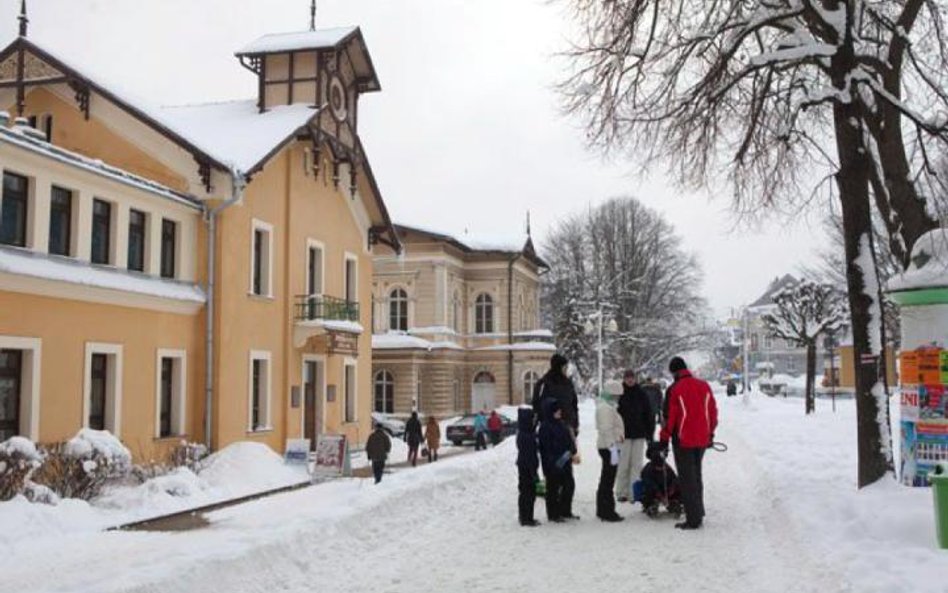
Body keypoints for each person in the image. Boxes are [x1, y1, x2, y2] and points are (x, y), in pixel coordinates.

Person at [659, 356, 718, 530]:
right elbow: (712, 413)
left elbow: (670, 418)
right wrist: (710, 434)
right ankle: (698, 511)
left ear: (674, 372)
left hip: (683, 439)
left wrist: (664, 438)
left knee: (687, 479)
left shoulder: (675, 389)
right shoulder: (704, 386)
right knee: (697, 475)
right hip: (702, 440)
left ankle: (693, 518)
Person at [616, 370, 655, 503]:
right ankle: (621, 492)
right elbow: (615, 415)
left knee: (636, 465)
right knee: (623, 464)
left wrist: (650, 433)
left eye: (632, 378)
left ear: (635, 379)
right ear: (624, 379)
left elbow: (648, 414)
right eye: (627, 378)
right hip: (623, 435)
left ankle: (635, 493)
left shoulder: (642, 394)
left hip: (639, 434)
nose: (630, 380)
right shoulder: (619, 394)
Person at [537, 398, 578, 522]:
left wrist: (571, 449)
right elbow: (546, 448)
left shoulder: (562, 423)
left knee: (569, 486)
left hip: (565, 461)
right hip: (553, 464)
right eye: (556, 410)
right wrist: (555, 461)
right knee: (553, 490)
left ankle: (565, 511)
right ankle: (553, 514)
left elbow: (570, 440)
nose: (559, 411)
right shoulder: (544, 427)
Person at [595, 380, 625, 522]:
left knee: (607, 479)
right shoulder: (605, 409)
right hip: (608, 447)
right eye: (617, 396)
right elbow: (606, 429)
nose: (618, 399)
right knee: (608, 479)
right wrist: (612, 447)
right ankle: (606, 510)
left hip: (610, 446)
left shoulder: (607, 407)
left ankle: (604, 509)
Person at [532, 353, 580, 437]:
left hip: (568, 426)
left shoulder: (568, 383)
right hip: (549, 430)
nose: (566, 370)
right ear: (558, 367)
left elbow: (574, 405)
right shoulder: (544, 383)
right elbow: (536, 405)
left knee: (570, 450)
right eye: (564, 367)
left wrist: (575, 424)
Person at [640, 441, 682, 518]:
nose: (660, 469)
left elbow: (674, 479)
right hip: (654, 492)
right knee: (645, 489)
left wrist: (671, 490)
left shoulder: (667, 469)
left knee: (679, 485)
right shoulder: (648, 470)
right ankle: (650, 505)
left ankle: (674, 503)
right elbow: (648, 483)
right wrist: (659, 494)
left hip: (667, 492)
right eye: (658, 468)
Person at [516, 407, 540, 527]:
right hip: (527, 467)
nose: (534, 421)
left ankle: (526, 517)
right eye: (532, 419)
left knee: (528, 493)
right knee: (528, 493)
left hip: (526, 466)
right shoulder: (526, 436)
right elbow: (528, 455)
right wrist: (533, 472)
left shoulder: (526, 432)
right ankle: (526, 518)